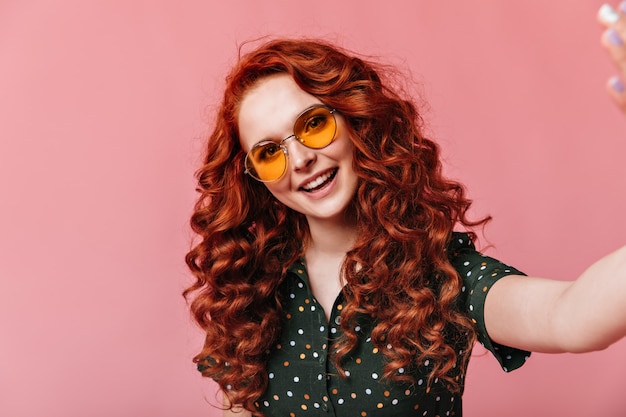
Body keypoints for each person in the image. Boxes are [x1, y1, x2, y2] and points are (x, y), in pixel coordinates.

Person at [185, 4, 626, 416]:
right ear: (253, 175)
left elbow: (571, 316)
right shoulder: (248, 289)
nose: (299, 160)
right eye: (269, 152)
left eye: (314, 124)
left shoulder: (441, 274)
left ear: (356, 118)